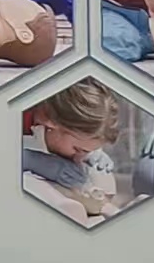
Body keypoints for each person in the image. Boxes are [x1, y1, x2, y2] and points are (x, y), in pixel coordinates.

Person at [21, 81, 121, 218]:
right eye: (78, 149)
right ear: (50, 123)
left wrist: (93, 153)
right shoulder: (16, 113)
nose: (80, 158)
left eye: (89, 151)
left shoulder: (74, 134)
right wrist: (28, 160)